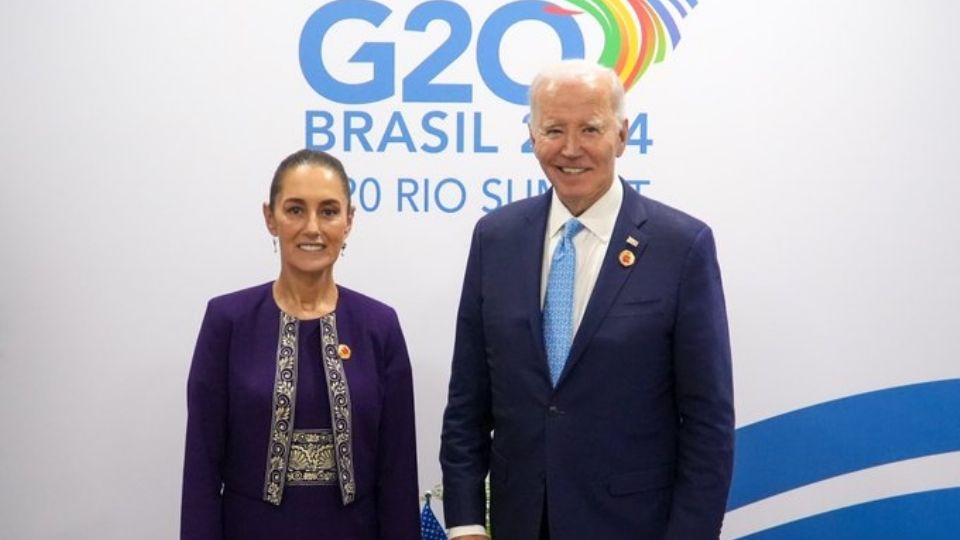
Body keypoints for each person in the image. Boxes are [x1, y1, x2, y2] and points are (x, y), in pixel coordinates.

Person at [440, 60, 734, 540]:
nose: (571, 149)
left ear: (622, 134)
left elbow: (708, 422)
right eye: (554, 129)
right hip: (518, 523)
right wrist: (467, 521)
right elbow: (467, 402)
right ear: (532, 135)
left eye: (590, 129)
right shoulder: (495, 238)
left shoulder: (681, 247)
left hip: (633, 526)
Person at [181, 149, 420, 540]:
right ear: (269, 217)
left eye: (328, 211)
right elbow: (201, 471)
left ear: (349, 221)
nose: (312, 227)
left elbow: (397, 474)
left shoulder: (380, 326)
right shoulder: (227, 322)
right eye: (295, 210)